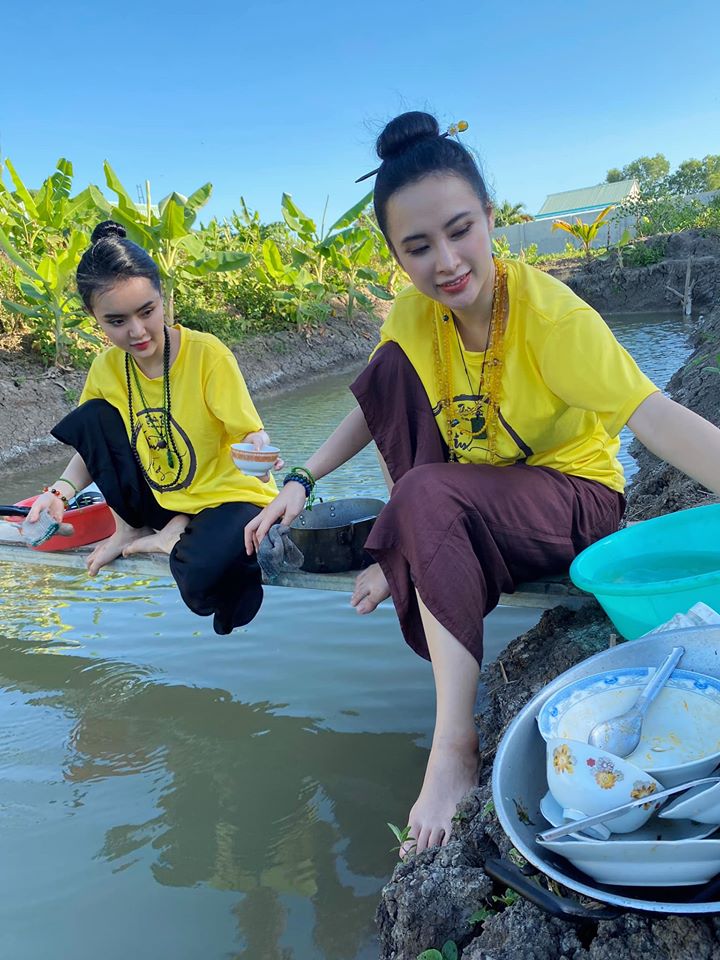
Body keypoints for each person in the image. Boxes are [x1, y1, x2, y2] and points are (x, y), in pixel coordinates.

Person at [245, 110, 720, 857]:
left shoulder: (551, 318)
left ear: (491, 218)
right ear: (396, 256)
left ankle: (453, 747)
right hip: (475, 495)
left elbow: (654, 418)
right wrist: (301, 478)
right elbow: (372, 411)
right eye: (418, 247)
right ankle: (407, 540)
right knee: (392, 377)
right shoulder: (414, 315)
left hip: (573, 501)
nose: (447, 262)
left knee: (425, 494)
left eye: (461, 230)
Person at [28, 220, 280, 636]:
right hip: (160, 498)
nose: (137, 331)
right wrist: (58, 494)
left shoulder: (207, 355)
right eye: (116, 321)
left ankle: (175, 534)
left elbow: (249, 435)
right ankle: (135, 528)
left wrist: (259, 448)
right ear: (94, 317)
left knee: (201, 581)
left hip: (228, 499)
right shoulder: (106, 368)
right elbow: (95, 450)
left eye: (147, 311)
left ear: (163, 298)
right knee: (91, 416)